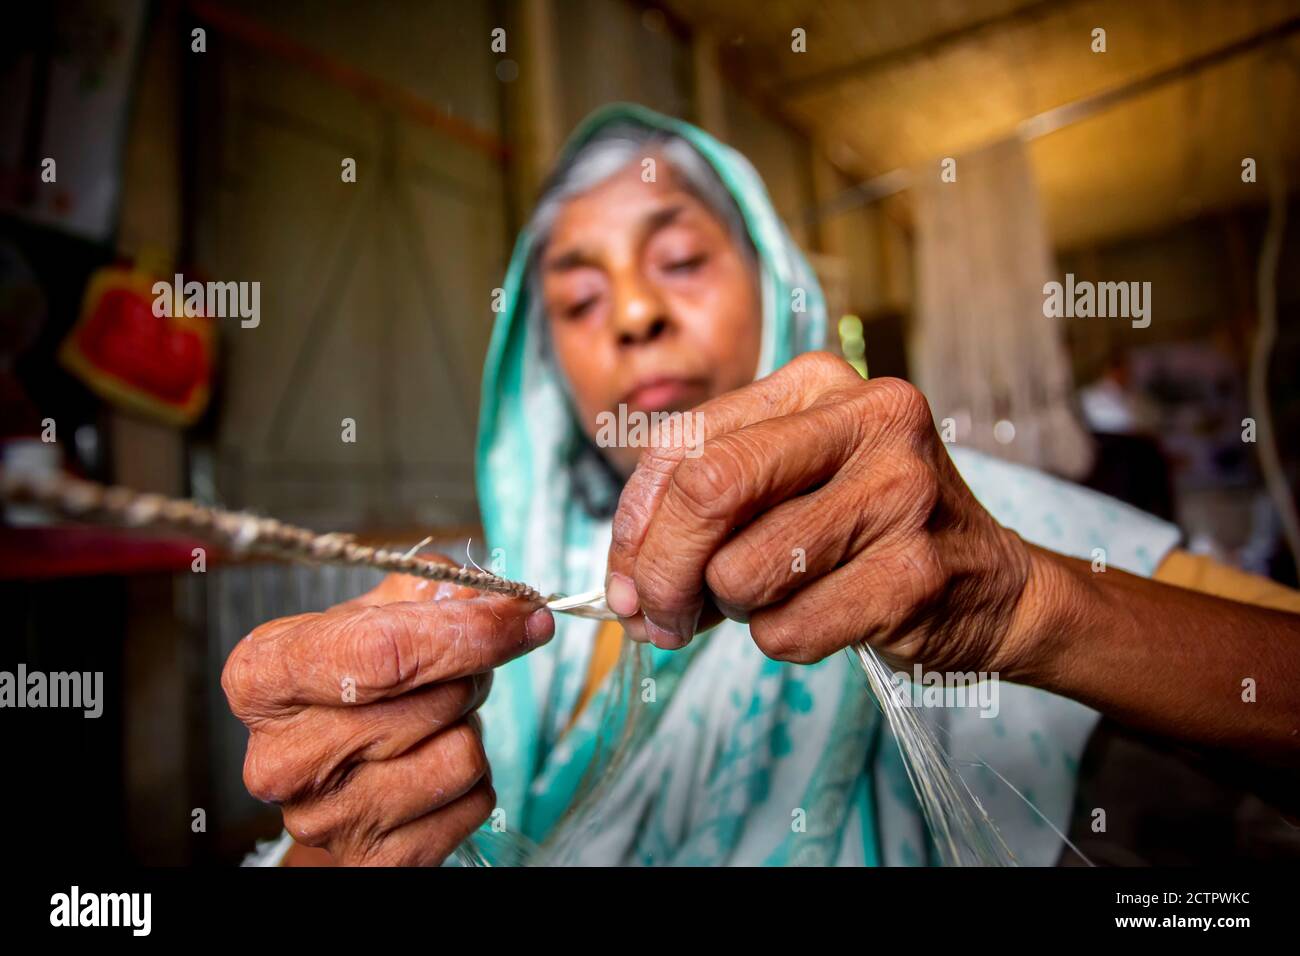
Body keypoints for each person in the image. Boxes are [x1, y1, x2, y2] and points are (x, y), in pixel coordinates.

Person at [222, 104, 1300, 867]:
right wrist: (340, 840)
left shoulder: (967, 526)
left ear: (773, 280)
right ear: (545, 369)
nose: (635, 313)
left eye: (681, 260)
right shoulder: (501, 610)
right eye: (580, 298)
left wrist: (1027, 600)